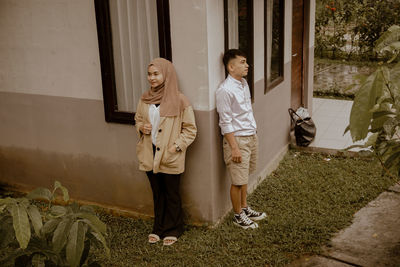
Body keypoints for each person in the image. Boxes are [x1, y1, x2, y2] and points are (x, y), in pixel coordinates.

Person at [135, 58, 197, 245]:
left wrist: (176, 147)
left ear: (166, 74)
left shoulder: (179, 100)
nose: (152, 78)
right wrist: (141, 127)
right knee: (157, 192)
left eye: (156, 74)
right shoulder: (144, 99)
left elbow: (191, 129)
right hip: (149, 151)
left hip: (169, 153)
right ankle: (158, 228)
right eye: (149, 74)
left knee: (171, 193)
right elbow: (137, 119)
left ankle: (174, 228)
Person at [216, 49, 266, 229]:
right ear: (231, 67)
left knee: (244, 177)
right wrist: (234, 148)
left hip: (251, 135)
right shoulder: (224, 90)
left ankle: (244, 207)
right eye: (243, 62)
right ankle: (238, 216)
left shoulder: (243, 83)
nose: (247, 65)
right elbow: (225, 121)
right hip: (237, 140)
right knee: (237, 181)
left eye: (246, 62)